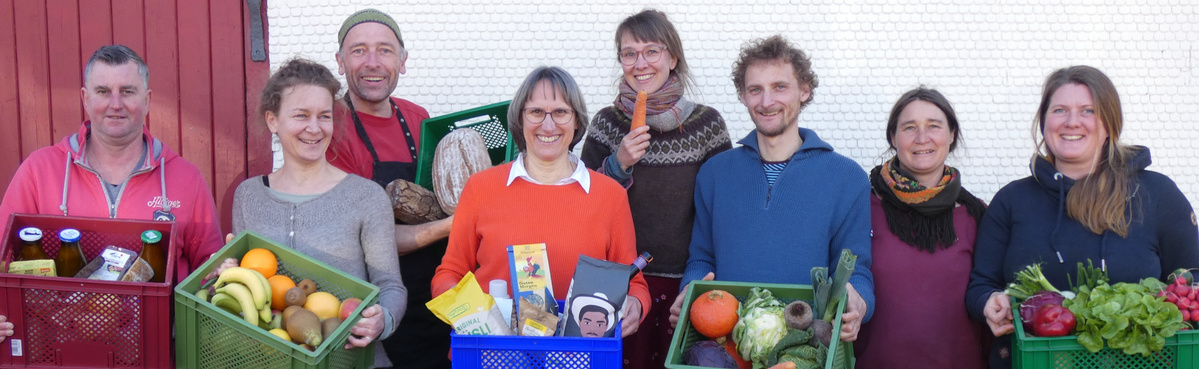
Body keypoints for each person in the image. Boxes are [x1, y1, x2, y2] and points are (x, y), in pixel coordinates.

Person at [965, 65, 1199, 369]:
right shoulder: (1012, 200)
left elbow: (1193, 277)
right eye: (1060, 110)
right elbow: (980, 285)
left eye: (1088, 110)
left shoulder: (1157, 194)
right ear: (1044, 121)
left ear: (1109, 122)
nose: (1072, 122)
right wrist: (988, 303)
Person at [0, 45, 225, 343]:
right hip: (56, 350)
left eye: (128, 91)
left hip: (155, 351)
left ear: (147, 101)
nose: (115, 103)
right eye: (103, 91)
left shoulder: (186, 178)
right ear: (85, 98)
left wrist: (221, 274)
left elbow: (209, 267)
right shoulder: (39, 171)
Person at [668, 35, 874, 342]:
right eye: (755, 90)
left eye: (780, 87)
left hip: (805, 347)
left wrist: (859, 302)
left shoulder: (847, 177)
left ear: (804, 90)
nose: (767, 101)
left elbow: (856, 270)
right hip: (728, 343)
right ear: (743, 96)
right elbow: (702, 259)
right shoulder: (715, 173)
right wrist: (690, 289)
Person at [431, 66, 651, 338]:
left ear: (576, 121)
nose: (548, 125)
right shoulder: (481, 187)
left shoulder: (609, 195)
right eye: (536, 112)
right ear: (520, 119)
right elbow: (449, 274)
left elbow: (633, 282)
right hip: (491, 353)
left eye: (560, 112)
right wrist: (468, 318)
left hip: (577, 356)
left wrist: (636, 303)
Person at [228, 58, 407, 368]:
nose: (314, 128)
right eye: (301, 115)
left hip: (353, 361)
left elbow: (390, 285)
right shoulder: (248, 196)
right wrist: (228, 271)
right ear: (273, 120)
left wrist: (383, 319)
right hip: (271, 360)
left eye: (324, 116)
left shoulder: (366, 197)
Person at [579, 10, 731, 367]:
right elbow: (582, 203)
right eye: (629, 53)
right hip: (620, 282)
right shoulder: (606, 123)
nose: (640, 62)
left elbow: (723, 206)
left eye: (652, 51)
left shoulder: (706, 124)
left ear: (672, 58)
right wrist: (618, 164)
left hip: (686, 282)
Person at [325, 9, 453, 367]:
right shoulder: (332, 126)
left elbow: (435, 200)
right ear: (339, 61)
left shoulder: (419, 118)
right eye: (358, 50)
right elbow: (362, 239)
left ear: (403, 60)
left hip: (433, 294)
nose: (372, 62)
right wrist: (451, 225)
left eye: (384, 50)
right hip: (374, 303)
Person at [853, 87, 989, 369]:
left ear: (952, 134)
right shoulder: (861, 209)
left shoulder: (976, 215)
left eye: (934, 126)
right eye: (909, 127)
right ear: (893, 137)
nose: (922, 138)